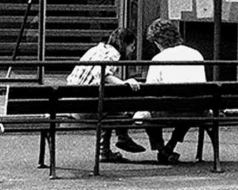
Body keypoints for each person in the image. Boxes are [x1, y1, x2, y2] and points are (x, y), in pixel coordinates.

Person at [67, 27, 146, 162]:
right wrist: (123, 83)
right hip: (87, 109)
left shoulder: (95, 50)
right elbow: (101, 72)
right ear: (124, 44)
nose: (132, 50)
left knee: (110, 103)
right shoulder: (113, 53)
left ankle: (109, 148)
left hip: (70, 105)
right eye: (131, 46)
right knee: (122, 100)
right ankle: (121, 138)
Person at [138, 18, 206, 164]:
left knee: (149, 110)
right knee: (188, 104)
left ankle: (161, 148)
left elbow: (150, 91)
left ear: (158, 41)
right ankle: (170, 146)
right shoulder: (196, 54)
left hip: (168, 110)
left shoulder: (158, 59)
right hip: (196, 109)